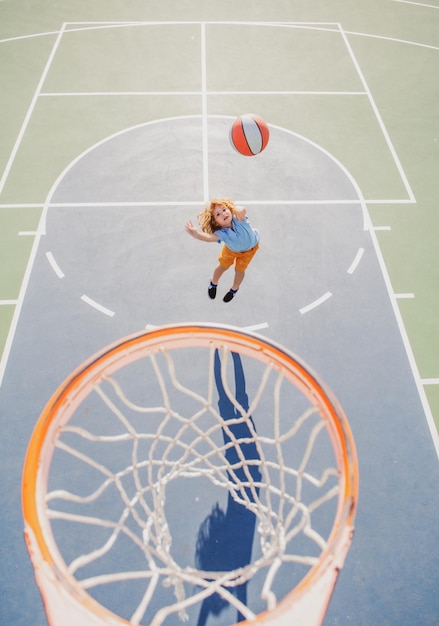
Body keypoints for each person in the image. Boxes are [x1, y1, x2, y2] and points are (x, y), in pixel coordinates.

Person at [184, 198, 259, 302]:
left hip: (249, 250)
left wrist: (233, 207)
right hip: (231, 251)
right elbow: (210, 238)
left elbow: (242, 210)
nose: (223, 214)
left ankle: (234, 289)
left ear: (229, 209)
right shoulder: (222, 233)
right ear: (216, 222)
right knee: (223, 266)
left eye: (224, 210)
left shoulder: (238, 218)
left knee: (240, 270)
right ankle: (213, 283)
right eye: (218, 214)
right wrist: (196, 235)